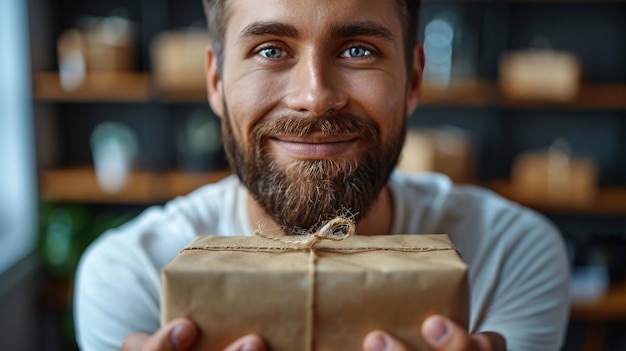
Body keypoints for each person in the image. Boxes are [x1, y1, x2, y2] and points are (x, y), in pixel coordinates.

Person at [74, 0, 570, 350]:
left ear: (414, 79)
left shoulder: (511, 256)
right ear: (217, 82)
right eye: (270, 49)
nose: (314, 96)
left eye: (358, 49)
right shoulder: (133, 279)